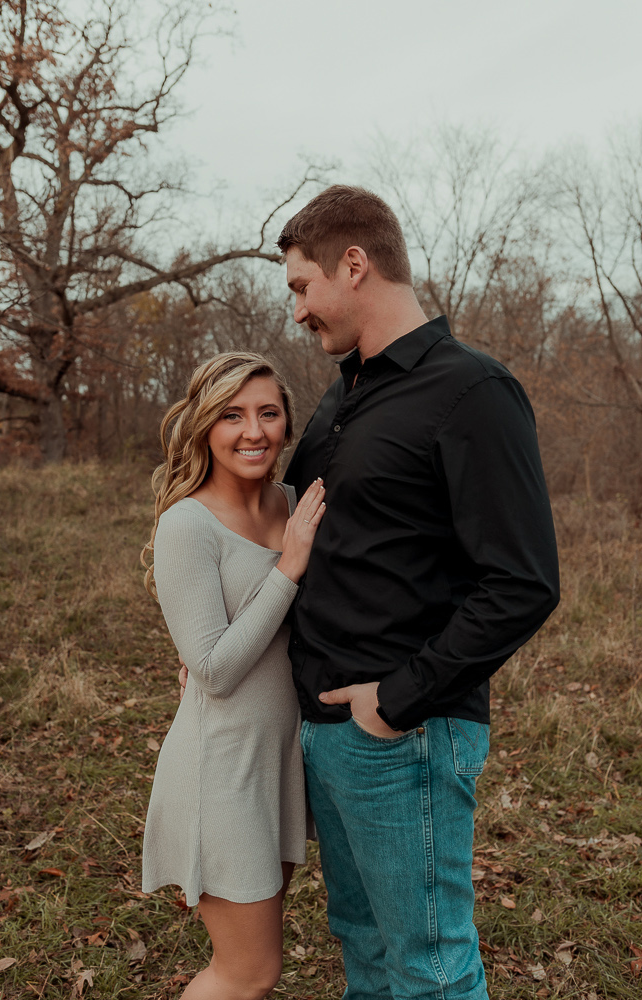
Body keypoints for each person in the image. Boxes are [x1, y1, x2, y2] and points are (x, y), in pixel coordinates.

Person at [279, 185, 560, 1000]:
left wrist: (397, 701)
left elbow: (522, 582)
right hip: (324, 730)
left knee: (429, 971)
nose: (297, 312)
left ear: (354, 264)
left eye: (303, 287)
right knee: (366, 954)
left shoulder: (471, 391)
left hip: (403, 738)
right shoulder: (345, 395)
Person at [140, 352, 327, 1000]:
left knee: (255, 968)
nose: (253, 431)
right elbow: (215, 670)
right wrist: (288, 569)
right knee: (247, 972)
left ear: (286, 422)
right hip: (221, 770)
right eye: (232, 414)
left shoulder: (296, 503)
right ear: (204, 425)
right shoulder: (186, 525)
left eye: (268, 413)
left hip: (278, 762)